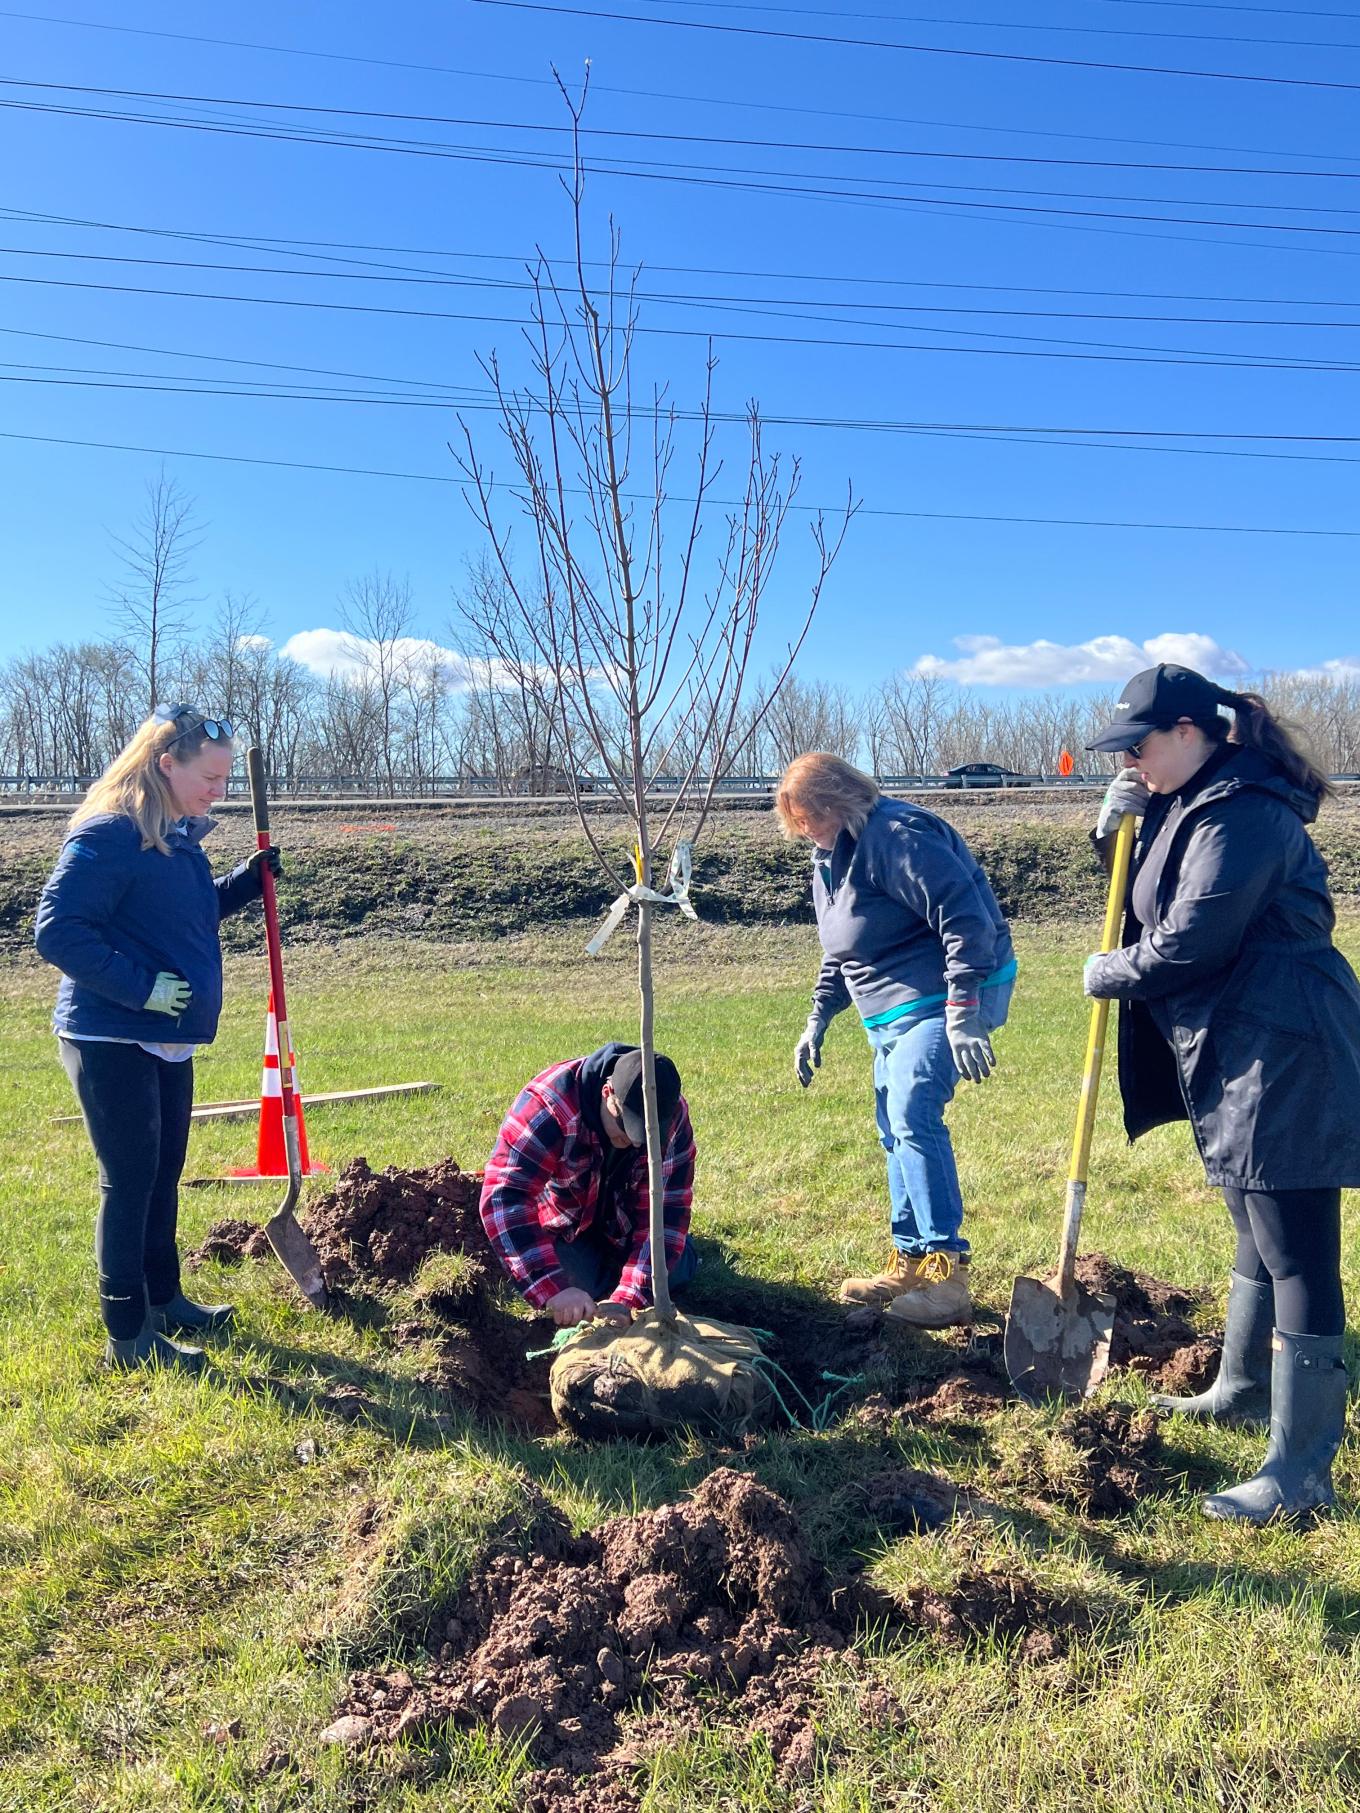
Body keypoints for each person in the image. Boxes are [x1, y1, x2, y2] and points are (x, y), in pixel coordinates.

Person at [1084, 663, 1360, 1523]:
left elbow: (1191, 939)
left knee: (1297, 1247)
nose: (1130, 758)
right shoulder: (1192, 803)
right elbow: (1151, 894)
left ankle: (1302, 1473)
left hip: (1287, 1045)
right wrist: (1110, 834)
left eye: (1141, 743)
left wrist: (1108, 971)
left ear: (1193, 732)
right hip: (1241, 1042)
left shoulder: (1243, 813)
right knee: (1253, 1219)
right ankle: (1242, 1389)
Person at [35, 704, 281, 1373]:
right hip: (110, 1032)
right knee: (130, 1178)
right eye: (210, 776)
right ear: (165, 763)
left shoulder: (178, 837)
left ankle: (164, 1297)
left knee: (164, 1172)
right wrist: (141, 987)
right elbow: (57, 930)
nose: (219, 791)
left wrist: (245, 883)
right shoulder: (111, 833)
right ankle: (127, 1334)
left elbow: (186, 915)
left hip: (166, 1037)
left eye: (228, 779)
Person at [776, 753, 1016, 1329]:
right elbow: (840, 946)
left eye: (808, 820)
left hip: (945, 994)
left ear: (837, 803)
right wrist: (818, 1016)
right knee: (892, 1127)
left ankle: (945, 1274)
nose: (805, 833)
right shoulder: (829, 858)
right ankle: (908, 1256)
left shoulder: (899, 836)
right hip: (886, 1012)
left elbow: (965, 918)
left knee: (914, 1113)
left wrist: (963, 1009)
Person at [480, 1043, 698, 1326]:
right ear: (608, 1094)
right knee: (574, 1283)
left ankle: (618, 1278)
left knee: (676, 1270)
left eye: (644, 1136)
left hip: (626, 1226)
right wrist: (554, 1289)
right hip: (569, 1226)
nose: (633, 1142)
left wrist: (628, 1299)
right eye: (627, 1128)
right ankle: (599, 1278)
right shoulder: (548, 1107)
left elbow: (668, 1210)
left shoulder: (672, 1118)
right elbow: (505, 1198)